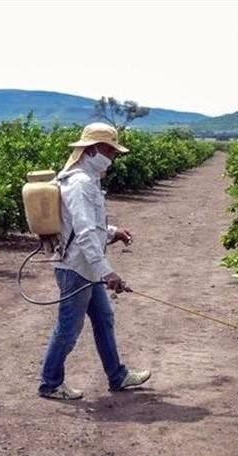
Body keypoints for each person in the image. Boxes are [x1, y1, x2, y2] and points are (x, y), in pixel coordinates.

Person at [38, 122, 151, 400]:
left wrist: (114, 233)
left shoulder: (87, 180)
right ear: (92, 149)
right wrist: (108, 272)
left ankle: (118, 376)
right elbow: (85, 232)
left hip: (86, 266)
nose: (112, 157)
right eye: (110, 151)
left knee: (104, 318)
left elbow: (89, 226)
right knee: (69, 327)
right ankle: (50, 384)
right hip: (77, 267)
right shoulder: (79, 183)